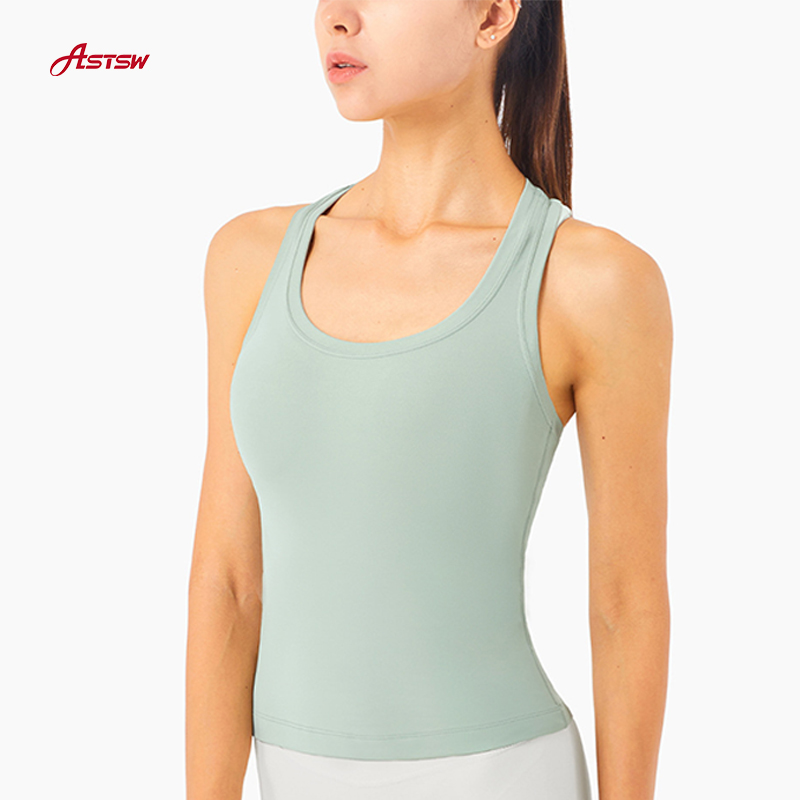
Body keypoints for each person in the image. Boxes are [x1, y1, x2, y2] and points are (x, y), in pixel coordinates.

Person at [186, 1, 672, 799]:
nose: (337, 17)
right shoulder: (250, 258)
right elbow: (229, 583)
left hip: (503, 772)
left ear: (492, 16)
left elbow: (625, 604)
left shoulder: (591, 282)